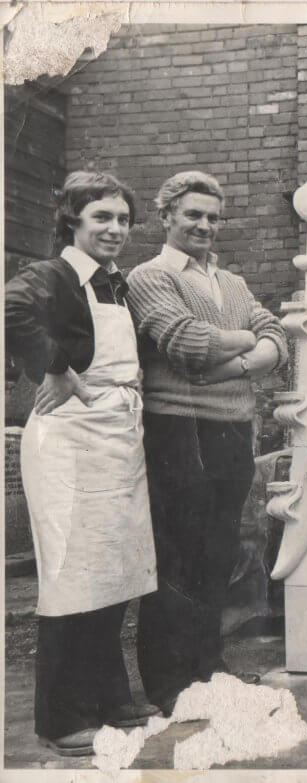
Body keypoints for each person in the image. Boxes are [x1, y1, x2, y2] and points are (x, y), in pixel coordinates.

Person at [5, 171, 160, 755]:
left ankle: (108, 697)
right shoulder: (51, 275)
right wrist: (55, 367)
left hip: (116, 437)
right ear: (72, 220)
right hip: (70, 443)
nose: (115, 229)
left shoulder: (112, 284)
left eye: (122, 219)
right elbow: (10, 309)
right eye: (102, 217)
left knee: (115, 571)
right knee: (72, 577)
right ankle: (61, 717)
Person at [126, 171, 288, 715]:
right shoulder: (149, 277)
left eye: (213, 217)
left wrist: (235, 361)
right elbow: (186, 343)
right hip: (178, 429)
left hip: (232, 430)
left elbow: (280, 339)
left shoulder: (234, 283)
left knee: (219, 555)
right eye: (193, 214)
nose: (204, 225)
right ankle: (168, 683)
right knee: (178, 558)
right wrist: (251, 349)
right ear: (166, 215)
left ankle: (208, 669)